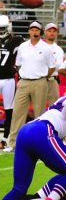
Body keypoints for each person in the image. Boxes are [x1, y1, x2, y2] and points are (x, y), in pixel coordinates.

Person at [4, 21, 55, 153]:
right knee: (17, 113)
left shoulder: (46, 48)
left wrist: (42, 76)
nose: (34, 32)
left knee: (40, 114)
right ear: (29, 31)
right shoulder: (22, 47)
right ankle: (13, 143)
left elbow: (51, 68)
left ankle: (41, 143)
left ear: (40, 31)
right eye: (32, 29)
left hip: (40, 82)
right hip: (24, 82)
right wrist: (24, 75)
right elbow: (18, 64)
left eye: (37, 30)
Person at [0, 15, 24, 149]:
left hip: (9, 79)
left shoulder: (16, 40)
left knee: (9, 110)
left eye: (2, 28)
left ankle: (4, 139)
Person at [44, 23, 64, 106]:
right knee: (38, 105)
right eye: (49, 31)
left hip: (53, 80)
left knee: (54, 106)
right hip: (40, 79)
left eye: (54, 31)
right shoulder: (40, 46)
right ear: (45, 32)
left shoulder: (59, 49)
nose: (52, 33)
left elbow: (58, 66)